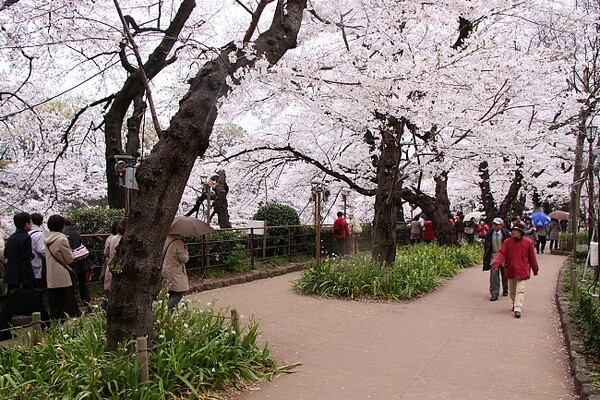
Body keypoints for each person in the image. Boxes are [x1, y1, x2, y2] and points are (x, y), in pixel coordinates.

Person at [1, 212, 49, 339]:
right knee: (36, 298)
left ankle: (4, 328)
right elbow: (25, 260)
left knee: (10, 303)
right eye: (30, 222)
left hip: (11, 273)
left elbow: (6, 254)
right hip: (22, 275)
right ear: (26, 224)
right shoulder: (25, 238)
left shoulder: (12, 238)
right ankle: (46, 324)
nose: (31, 225)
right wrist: (28, 278)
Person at [493, 222, 539, 318]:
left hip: (523, 270)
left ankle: (518, 308)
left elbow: (532, 258)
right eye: (513, 230)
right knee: (512, 291)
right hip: (511, 269)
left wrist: (535, 269)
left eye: (516, 231)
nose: (514, 232)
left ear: (521, 232)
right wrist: (497, 263)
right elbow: (502, 253)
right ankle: (515, 303)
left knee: (520, 290)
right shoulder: (507, 242)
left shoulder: (528, 243)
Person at [44, 214, 80, 321]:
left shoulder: (46, 238)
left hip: (51, 276)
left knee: (55, 305)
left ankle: (56, 326)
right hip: (63, 276)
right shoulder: (61, 239)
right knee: (68, 305)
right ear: (61, 226)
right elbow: (69, 259)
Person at [483, 217, 510, 301]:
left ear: (501, 225)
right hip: (494, 255)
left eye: (497, 224)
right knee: (494, 275)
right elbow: (487, 246)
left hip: (504, 256)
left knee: (505, 274)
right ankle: (494, 293)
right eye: (494, 224)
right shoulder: (489, 234)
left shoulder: (506, 234)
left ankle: (505, 289)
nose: (495, 226)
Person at [162, 234, 190, 311]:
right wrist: (185, 250)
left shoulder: (164, 240)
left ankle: (173, 314)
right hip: (175, 272)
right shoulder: (178, 243)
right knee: (177, 294)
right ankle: (167, 310)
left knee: (170, 292)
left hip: (165, 269)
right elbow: (184, 259)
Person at [103, 219, 125, 310]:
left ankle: (104, 309)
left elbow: (106, 252)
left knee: (109, 291)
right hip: (121, 269)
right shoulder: (126, 240)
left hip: (111, 266)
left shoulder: (112, 238)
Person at [29, 213, 46, 288]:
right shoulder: (39, 234)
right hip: (37, 263)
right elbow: (41, 250)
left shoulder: (26, 232)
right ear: (41, 222)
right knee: (38, 286)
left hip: (28, 263)